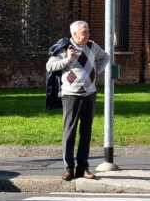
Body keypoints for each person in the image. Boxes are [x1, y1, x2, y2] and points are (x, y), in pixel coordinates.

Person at [46, 20, 110, 180]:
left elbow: (105, 57)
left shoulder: (92, 46)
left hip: (90, 94)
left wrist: (96, 71)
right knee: (70, 133)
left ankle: (83, 168)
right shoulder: (65, 48)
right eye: (84, 32)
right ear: (74, 34)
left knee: (86, 132)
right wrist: (67, 59)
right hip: (71, 95)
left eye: (88, 31)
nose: (88, 34)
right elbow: (50, 66)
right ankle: (68, 168)